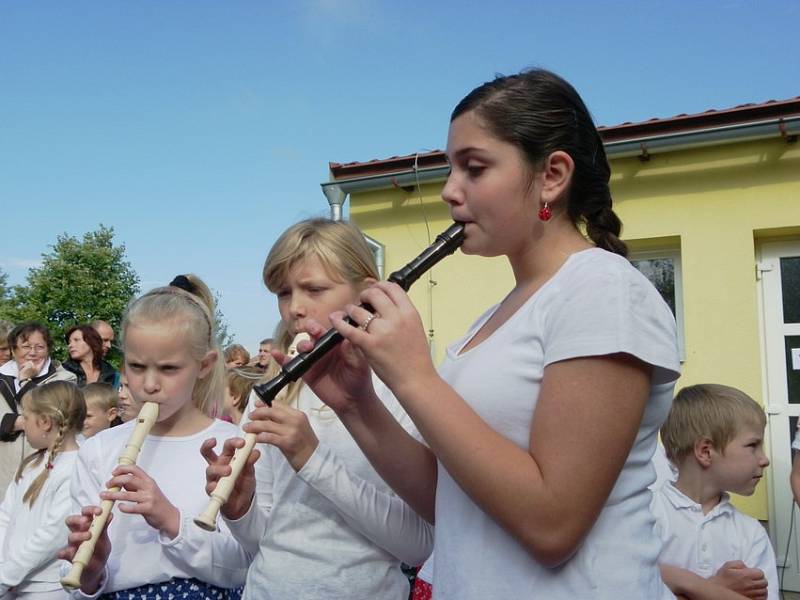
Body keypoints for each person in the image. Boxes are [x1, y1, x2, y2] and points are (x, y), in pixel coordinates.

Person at [296, 69, 681, 599]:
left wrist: (413, 376)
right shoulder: (496, 316)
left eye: (473, 168)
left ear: (552, 175)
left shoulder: (604, 290)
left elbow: (552, 525)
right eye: (450, 169)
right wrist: (357, 403)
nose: (450, 191)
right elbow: (451, 505)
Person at [202, 219, 433, 600]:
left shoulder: (402, 389)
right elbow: (264, 539)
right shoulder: (273, 393)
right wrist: (239, 509)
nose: (294, 308)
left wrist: (312, 459)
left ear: (368, 291)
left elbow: (418, 545)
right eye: (283, 293)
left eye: (314, 289)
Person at [59, 274, 248, 599]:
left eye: (169, 368)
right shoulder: (100, 449)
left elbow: (242, 565)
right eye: (135, 366)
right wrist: (90, 572)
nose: (148, 385)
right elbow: (76, 584)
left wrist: (170, 519)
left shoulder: (230, 445)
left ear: (204, 365)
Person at [653, 384, 778, 600]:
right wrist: (715, 588)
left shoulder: (750, 533)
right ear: (705, 451)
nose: (764, 459)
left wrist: (682, 581)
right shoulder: (647, 517)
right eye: (752, 445)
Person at [0, 380, 85, 599]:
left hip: (45, 588)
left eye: (26, 418)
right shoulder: (31, 464)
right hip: (11, 583)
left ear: (45, 422)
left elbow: (53, 536)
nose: (22, 424)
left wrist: (6, 576)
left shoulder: (77, 468)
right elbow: (5, 516)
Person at [0, 323, 76, 497]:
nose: (32, 353)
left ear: (48, 349)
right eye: (25, 346)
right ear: (13, 350)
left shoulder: (65, 378)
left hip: (42, 466)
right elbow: (42, 419)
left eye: (40, 347)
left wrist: (25, 382)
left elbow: (55, 418)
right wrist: (24, 422)